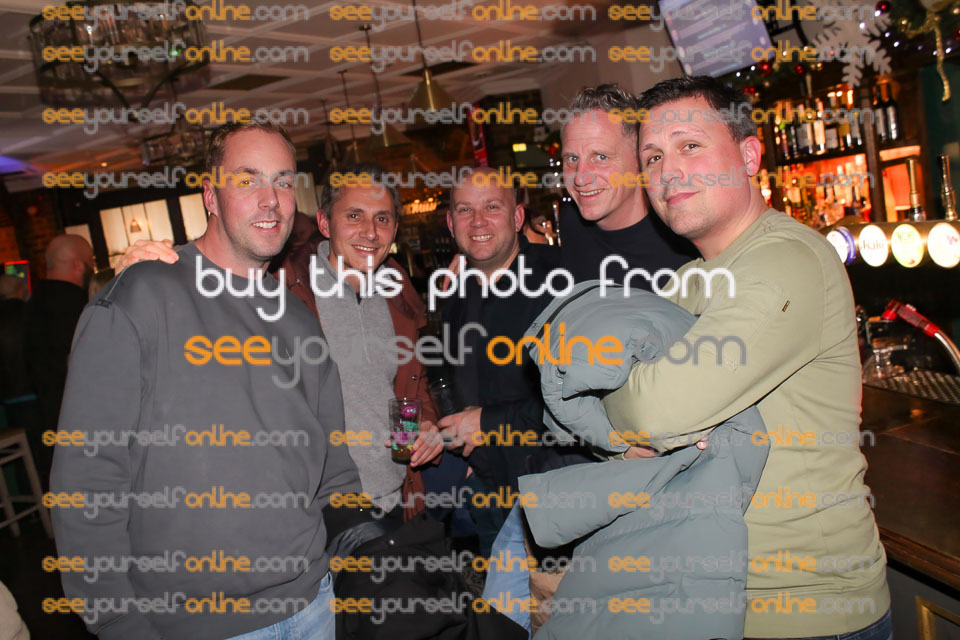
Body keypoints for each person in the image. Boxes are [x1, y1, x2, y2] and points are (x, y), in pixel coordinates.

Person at [602, 76, 890, 639]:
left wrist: (638, 419)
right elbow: (607, 421)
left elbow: (655, 410)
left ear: (750, 156)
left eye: (689, 145)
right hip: (707, 598)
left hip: (808, 610)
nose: (667, 171)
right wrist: (630, 424)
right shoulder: (687, 281)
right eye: (653, 157)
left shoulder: (787, 260)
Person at [50, 122, 362, 639]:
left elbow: (334, 469)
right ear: (210, 196)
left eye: (283, 181)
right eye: (248, 180)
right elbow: (87, 480)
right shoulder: (142, 297)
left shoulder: (299, 319)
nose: (271, 199)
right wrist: (116, 621)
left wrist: (361, 560)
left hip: (314, 606)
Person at [115, 164, 444, 518]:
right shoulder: (283, 285)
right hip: (317, 510)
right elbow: (217, 275)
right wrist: (151, 267)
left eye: (382, 219)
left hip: (399, 497)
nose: (371, 232)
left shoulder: (399, 291)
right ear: (324, 223)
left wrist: (427, 425)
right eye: (354, 216)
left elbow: (415, 385)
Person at [559, 84, 698, 284]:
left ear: (639, 161)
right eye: (572, 159)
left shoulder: (683, 243)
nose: (580, 178)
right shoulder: (571, 223)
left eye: (601, 157)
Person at [22, 234, 94, 489]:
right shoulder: (79, 306)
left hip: (47, 418)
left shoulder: (31, 303)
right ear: (78, 265)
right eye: (91, 261)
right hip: (84, 423)